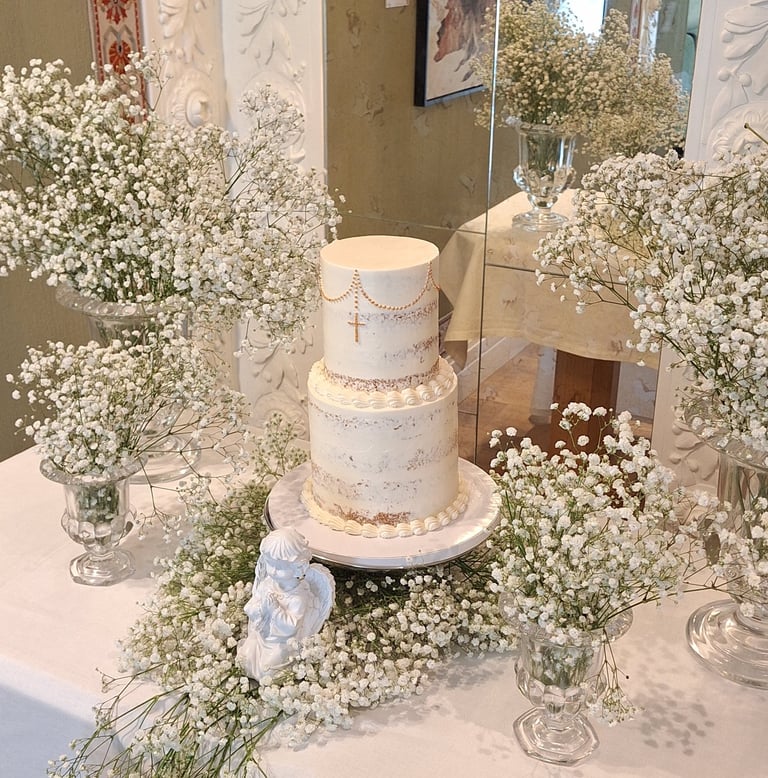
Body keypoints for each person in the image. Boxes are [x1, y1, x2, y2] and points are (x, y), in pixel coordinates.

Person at [238, 527, 334, 680]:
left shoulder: (298, 597)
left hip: (280, 644)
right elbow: (249, 607)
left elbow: (291, 627)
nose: (274, 571)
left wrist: (275, 609)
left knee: (267, 671)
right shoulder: (267, 584)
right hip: (261, 636)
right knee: (245, 658)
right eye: (270, 564)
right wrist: (259, 609)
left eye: (280, 568)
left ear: (298, 568)